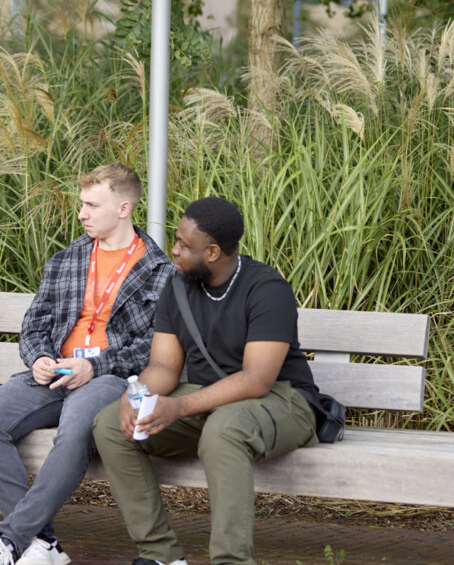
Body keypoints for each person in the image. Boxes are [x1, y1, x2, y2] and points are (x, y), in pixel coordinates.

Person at [0, 164, 173, 565]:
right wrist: (38, 357)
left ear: (124, 207)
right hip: (55, 369)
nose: (82, 213)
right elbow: (35, 323)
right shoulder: (67, 259)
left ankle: (10, 543)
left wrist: (97, 365)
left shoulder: (159, 272)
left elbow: (155, 348)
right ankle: (44, 543)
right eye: (81, 204)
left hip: (108, 377)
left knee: (74, 433)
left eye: (92, 204)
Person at [92, 197, 326, 565]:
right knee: (109, 424)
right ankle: (160, 555)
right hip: (210, 401)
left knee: (223, 430)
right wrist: (135, 394)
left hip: (284, 401)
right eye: (176, 240)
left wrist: (179, 406)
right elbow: (165, 368)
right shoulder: (179, 286)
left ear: (213, 252)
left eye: (185, 245)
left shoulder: (266, 289)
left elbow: (256, 380)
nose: (174, 249)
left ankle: (231, 560)